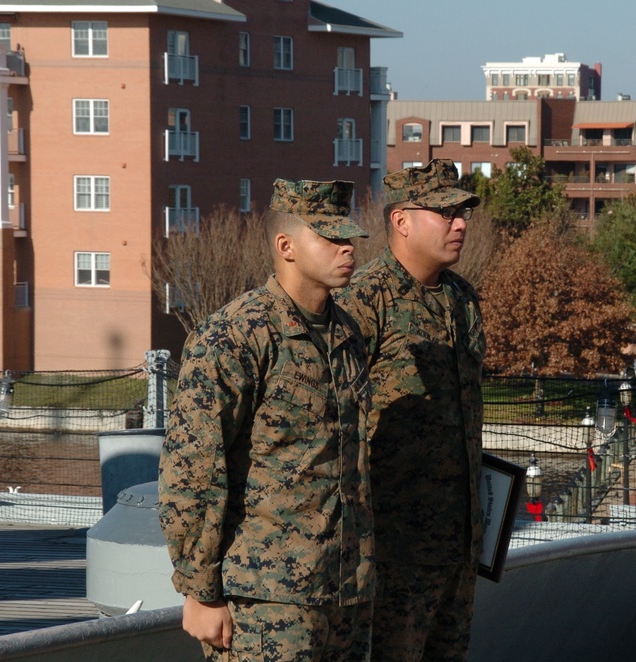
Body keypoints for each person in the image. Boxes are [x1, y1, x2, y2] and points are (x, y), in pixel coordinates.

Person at [158, 179, 375, 661]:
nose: (348, 249)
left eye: (349, 238)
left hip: (345, 593)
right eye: (332, 238)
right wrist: (201, 590)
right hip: (265, 601)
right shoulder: (235, 336)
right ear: (286, 246)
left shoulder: (347, 334)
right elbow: (193, 471)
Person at [336, 159, 485, 661]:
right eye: (446, 212)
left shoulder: (462, 299)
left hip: (457, 545)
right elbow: (338, 424)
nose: (460, 222)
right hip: (392, 550)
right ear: (402, 221)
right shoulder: (364, 301)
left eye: (463, 211)